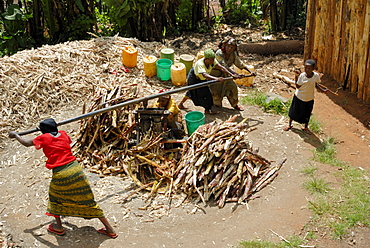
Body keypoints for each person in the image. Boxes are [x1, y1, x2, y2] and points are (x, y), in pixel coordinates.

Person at [8, 119, 118, 238]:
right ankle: (110, 229)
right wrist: (45, 131)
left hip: (61, 173)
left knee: (55, 199)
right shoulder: (64, 134)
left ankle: (59, 227)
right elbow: (54, 138)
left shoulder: (43, 138)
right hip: (76, 169)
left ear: (43, 131)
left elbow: (26, 143)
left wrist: (15, 135)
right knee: (88, 199)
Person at [178, 48, 240, 114]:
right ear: (206, 59)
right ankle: (181, 104)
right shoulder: (200, 64)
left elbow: (222, 67)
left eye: (213, 59)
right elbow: (204, 75)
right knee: (192, 92)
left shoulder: (213, 61)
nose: (213, 61)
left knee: (207, 94)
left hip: (202, 78)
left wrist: (231, 74)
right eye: (211, 60)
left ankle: (207, 110)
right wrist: (216, 79)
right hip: (194, 78)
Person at [210, 37, 256, 111]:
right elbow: (223, 66)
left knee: (232, 87)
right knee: (217, 90)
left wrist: (250, 71)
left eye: (232, 47)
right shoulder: (219, 53)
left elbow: (239, 63)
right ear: (224, 46)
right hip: (216, 74)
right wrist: (234, 74)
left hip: (226, 74)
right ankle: (216, 105)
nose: (229, 49)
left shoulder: (233, 54)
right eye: (228, 46)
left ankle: (235, 104)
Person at [283, 59, 325, 133]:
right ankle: (289, 124)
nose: (307, 70)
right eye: (305, 68)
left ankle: (305, 127)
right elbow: (298, 86)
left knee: (307, 113)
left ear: (313, 69)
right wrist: (296, 76)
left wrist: (323, 90)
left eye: (309, 68)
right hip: (299, 96)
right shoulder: (302, 76)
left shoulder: (316, 76)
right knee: (293, 112)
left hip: (309, 98)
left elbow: (316, 84)